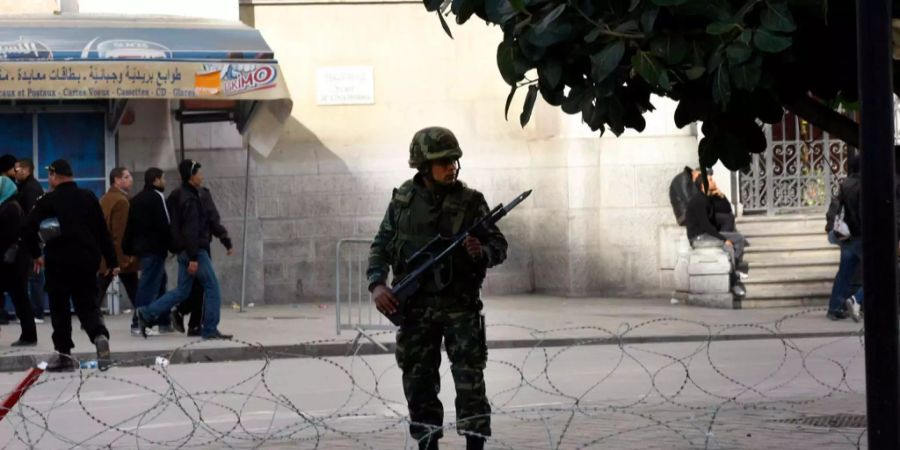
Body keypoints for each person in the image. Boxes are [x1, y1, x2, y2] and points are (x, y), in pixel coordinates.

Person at [366, 127, 508, 450]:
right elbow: (381, 245)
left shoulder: (471, 203)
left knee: (470, 383)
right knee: (419, 384)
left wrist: (481, 252)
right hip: (416, 309)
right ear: (423, 166)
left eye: (454, 161)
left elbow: (498, 245)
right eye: (443, 162)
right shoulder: (402, 202)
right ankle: (427, 444)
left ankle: (475, 443)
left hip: (460, 307)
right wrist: (377, 285)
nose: (451, 168)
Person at [22, 159, 116, 372]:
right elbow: (102, 231)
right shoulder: (88, 197)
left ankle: (64, 356)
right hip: (86, 260)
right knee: (87, 305)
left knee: (60, 309)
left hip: (59, 263)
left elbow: (27, 228)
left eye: (50, 175)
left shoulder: (48, 201)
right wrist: (112, 261)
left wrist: (36, 254)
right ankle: (99, 335)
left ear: (55, 176)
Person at [136, 159, 233, 340]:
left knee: (182, 291)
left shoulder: (180, 195)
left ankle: (146, 313)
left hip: (184, 251)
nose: (201, 176)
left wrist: (223, 239)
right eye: (199, 173)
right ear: (191, 176)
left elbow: (183, 226)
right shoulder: (190, 199)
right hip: (195, 251)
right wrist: (194, 257)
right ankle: (210, 328)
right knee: (212, 288)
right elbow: (191, 230)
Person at [122, 168, 173, 336]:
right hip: (155, 249)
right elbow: (165, 224)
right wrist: (172, 246)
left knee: (159, 284)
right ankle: (139, 322)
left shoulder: (136, 200)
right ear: (156, 180)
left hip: (142, 249)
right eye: (163, 179)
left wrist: (128, 248)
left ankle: (164, 320)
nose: (164, 182)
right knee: (149, 285)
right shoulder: (157, 198)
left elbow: (129, 227)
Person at [685, 174, 748, 296]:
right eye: (710, 180)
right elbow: (705, 226)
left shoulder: (708, 198)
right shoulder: (699, 200)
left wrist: (721, 196)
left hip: (708, 234)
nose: (713, 181)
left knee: (739, 239)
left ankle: (732, 270)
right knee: (728, 247)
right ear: (704, 185)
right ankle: (733, 283)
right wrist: (724, 239)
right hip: (699, 237)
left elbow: (727, 210)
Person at [96, 167, 143, 319]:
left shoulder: (105, 198)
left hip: (105, 253)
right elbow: (120, 233)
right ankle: (143, 319)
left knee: (101, 286)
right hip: (118, 255)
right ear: (117, 180)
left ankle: (90, 318)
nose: (131, 179)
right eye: (127, 177)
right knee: (134, 289)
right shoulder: (122, 202)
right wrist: (124, 259)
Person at [825, 155, 864, 321]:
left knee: (844, 275)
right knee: (878, 271)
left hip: (847, 236)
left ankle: (834, 308)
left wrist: (831, 227)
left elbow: (834, 207)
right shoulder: (864, 185)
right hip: (861, 236)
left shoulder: (845, 185)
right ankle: (857, 299)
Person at [0, 176, 37, 346]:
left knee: (20, 298)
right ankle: (29, 334)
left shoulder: (10, 208)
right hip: (12, 261)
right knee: (20, 298)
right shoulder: (8, 206)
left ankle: (29, 335)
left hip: (12, 262)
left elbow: (8, 235)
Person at [13, 158, 46, 321]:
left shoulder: (31, 189)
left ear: (27, 170)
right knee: (31, 275)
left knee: (35, 275)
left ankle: (37, 311)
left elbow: (32, 217)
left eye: (18, 169)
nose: (15, 172)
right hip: (29, 237)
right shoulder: (26, 187)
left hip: (31, 238)